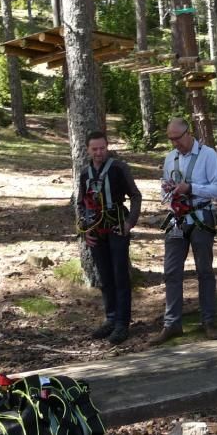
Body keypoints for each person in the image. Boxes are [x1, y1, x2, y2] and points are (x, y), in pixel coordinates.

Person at [152, 118, 217, 344]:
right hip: (176, 219)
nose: (175, 143)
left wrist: (192, 188)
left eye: (177, 138)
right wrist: (167, 191)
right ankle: (172, 323)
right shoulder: (170, 158)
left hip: (201, 217)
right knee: (172, 271)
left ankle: (209, 320)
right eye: (171, 139)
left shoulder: (208, 155)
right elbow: (164, 190)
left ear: (189, 133)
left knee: (204, 270)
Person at [77, 130, 142, 345]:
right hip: (96, 232)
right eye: (94, 149)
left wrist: (129, 222)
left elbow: (135, 195)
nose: (98, 152)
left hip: (117, 229)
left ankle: (123, 323)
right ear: (87, 149)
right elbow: (80, 203)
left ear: (107, 147)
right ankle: (111, 318)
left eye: (102, 148)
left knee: (119, 275)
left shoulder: (118, 168)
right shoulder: (85, 173)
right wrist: (85, 230)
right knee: (104, 277)